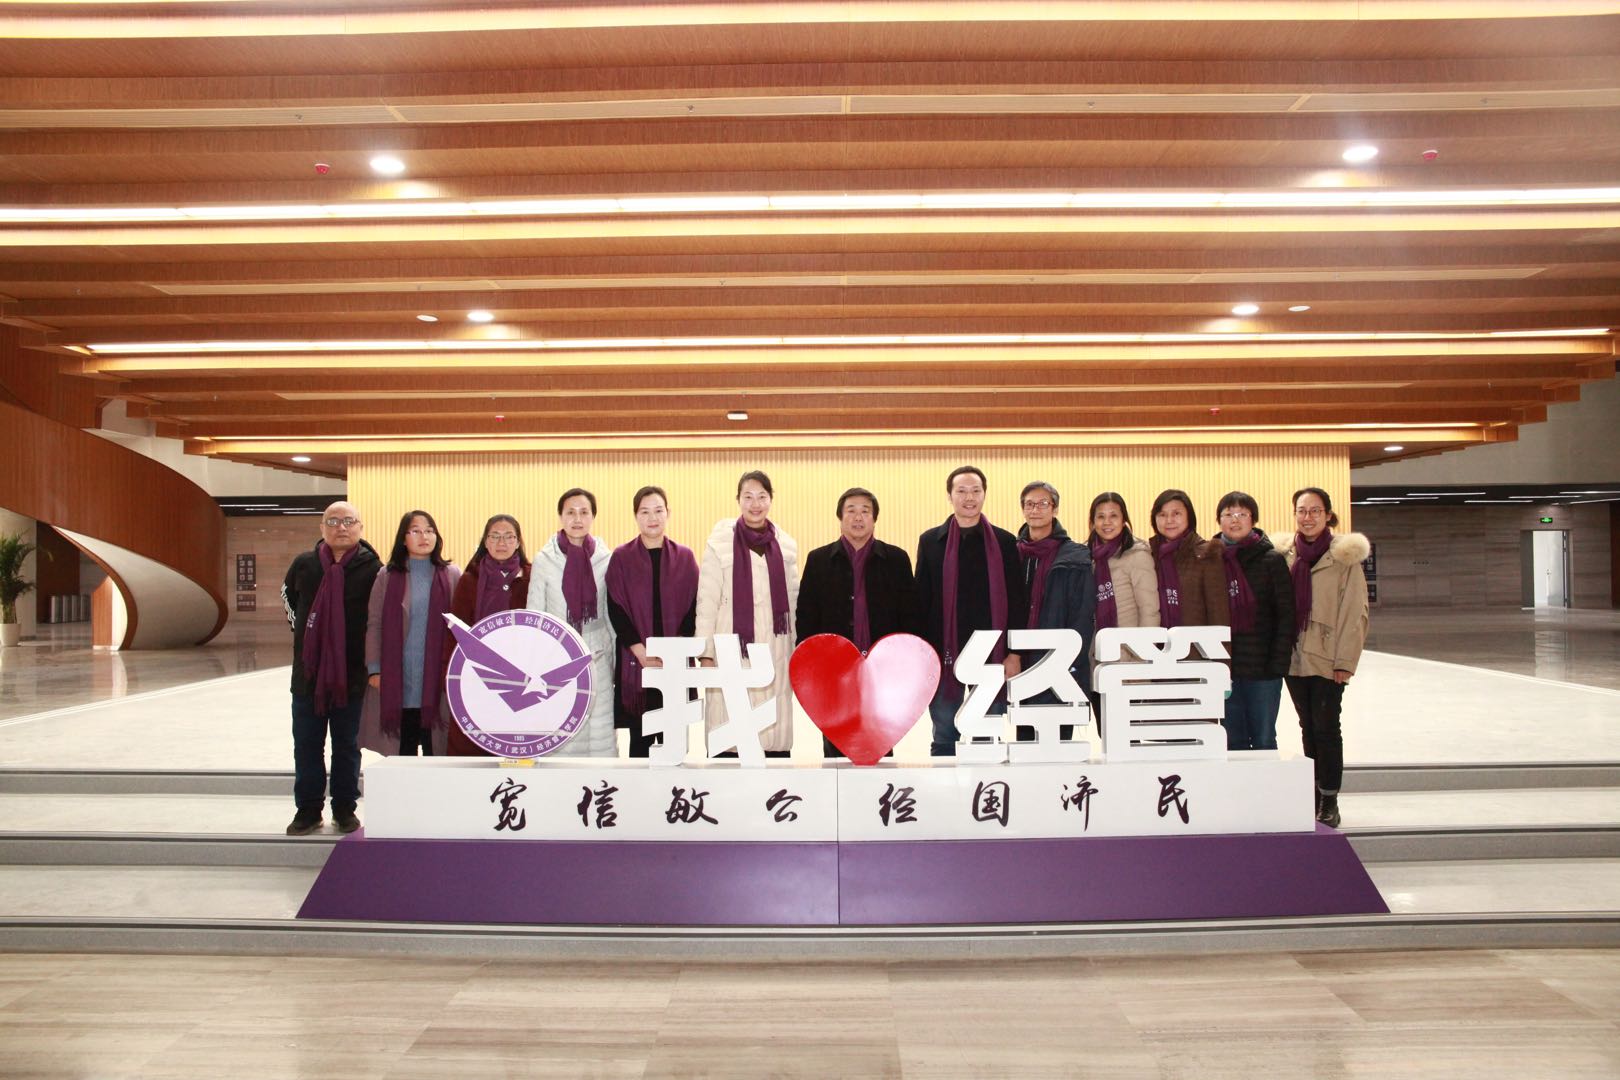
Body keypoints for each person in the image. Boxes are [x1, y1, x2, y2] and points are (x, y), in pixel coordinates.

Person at [280, 501, 382, 836]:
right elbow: (289, 602)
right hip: (309, 675)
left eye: (349, 521)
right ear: (322, 528)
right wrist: (311, 640)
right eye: (333, 521)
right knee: (306, 744)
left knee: (347, 746)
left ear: (360, 527)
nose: (342, 527)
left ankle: (344, 808)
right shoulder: (304, 564)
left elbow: (378, 618)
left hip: (352, 675)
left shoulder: (374, 569)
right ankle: (308, 810)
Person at [914, 465, 1028, 756]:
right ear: (949, 496)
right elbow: (922, 601)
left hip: (992, 655)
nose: (969, 497)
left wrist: (1015, 653)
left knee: (987, 736)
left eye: (976, 491)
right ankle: (945, 784)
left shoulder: (1004, 542)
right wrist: (923, 654)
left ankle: (985, 785)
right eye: (961, 491)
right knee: (944, 735)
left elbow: (1017, 600)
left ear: (984, 494)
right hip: (944, 654)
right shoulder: (930, 542)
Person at [796, 486, 916, 756]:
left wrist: (906, 663)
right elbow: (806, 617)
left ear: (875, 518)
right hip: (834, 671)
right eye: (851, 511)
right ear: (840, 517)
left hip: (882, 671)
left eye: (865, 511)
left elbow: (910, 616)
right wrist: (810, 665)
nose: (858, 517)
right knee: (836, 744)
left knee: (879, 743)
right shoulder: (818, 560)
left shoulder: (896, 559)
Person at [1279, 487, 1370, 828]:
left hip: (1328, 658)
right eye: (1302, 510)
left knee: (1327, 728)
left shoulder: (1343, 557)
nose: (1308, 517)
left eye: (1315, 510)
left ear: (1328, 515)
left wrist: (1345, 661)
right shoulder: (1287, 555)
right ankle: (1314, 795)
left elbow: (1355, 613)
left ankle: (1329, 798)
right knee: (1308, 727)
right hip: (1295, 657)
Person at [695, 470, 800, 757]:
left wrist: (797, 651)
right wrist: (705, 654)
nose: (755, 504)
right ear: (738, 500)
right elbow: (707, 602)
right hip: (731, 645)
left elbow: (793, 604)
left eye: (762, 497)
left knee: (773, 723)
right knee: (730, 721)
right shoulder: (720, 544)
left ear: (771, 499)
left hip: (776, 647)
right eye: (748, 497)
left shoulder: (786, 547)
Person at [606, 486, 699, 758]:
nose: (652, 518)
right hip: (638, 663)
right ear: (636, 516)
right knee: (640, 744)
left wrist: (675, 651)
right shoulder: (622, 558)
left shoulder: (685, 557)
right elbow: (616, 608)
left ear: (668, 513)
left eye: (658, 511)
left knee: (675, 746)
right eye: (645, 512)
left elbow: (696, 607)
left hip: (675, 664)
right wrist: (640, 651)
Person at [362, 510, 461, 758]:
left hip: (437, 679)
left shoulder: (451, 575)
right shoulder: (387, 576)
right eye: (415, 531)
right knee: (402, 752)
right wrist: (374, 669)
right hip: (398, 677)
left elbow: (460, 627)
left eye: (429, 531)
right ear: (403, 538)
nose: (424, 537)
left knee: (435, 750)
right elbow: (374, 623)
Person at [1203, 491, 1295, 752]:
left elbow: (1286, 614)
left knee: (1264, 739)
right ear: (1219, 520)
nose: (1235, 520)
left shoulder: (1271, 560)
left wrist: (1278, 663)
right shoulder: (1210, 559)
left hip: (1263, 668)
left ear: (1253, 519)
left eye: (1242, 514)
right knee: (1232, 741)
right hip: (1225, 666)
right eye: (1228, 514)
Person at [529, 488, 617, 756]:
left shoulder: (605, 558)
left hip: (597, 653)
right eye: (570, 512)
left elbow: (610, 614)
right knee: (562, 726)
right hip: (557, 655)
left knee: (599, 727)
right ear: (561, 516)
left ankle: (602, 780)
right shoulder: (545, 560)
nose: (577, 519)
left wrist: (613, 655)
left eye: (584, 512)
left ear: (593, 517)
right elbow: (535, 614)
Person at [444, 514, 530, 756]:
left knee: (514, 740)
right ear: (485, 541)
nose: (502, 542)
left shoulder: (530, 577)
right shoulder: (470, 579)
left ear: (518, 542)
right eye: (495, 536)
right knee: (475, 742)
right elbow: (456, 631)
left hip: (521, 675)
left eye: (509, 536)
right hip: (476, 673)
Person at [1015, 481, 1095, 741]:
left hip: (1059, 660)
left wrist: (1070, 659)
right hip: (1022, 661)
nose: (1035, 509)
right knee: (1025, 741)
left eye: (1043, 503)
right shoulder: (1013, 553)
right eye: (1029, 504)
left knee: (1059, 742)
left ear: (1055, 509)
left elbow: (1082, 614)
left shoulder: (1075, 556)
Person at [1149, 488, 1226, 629]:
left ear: (1189, 516)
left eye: (1176, 514)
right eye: (1162, 515)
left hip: (1197, 641)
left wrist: (1220, 642)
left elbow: (1218, 612)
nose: (1169, 520)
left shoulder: (1207, 553)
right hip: (1156, 641)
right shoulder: (1149, 555)